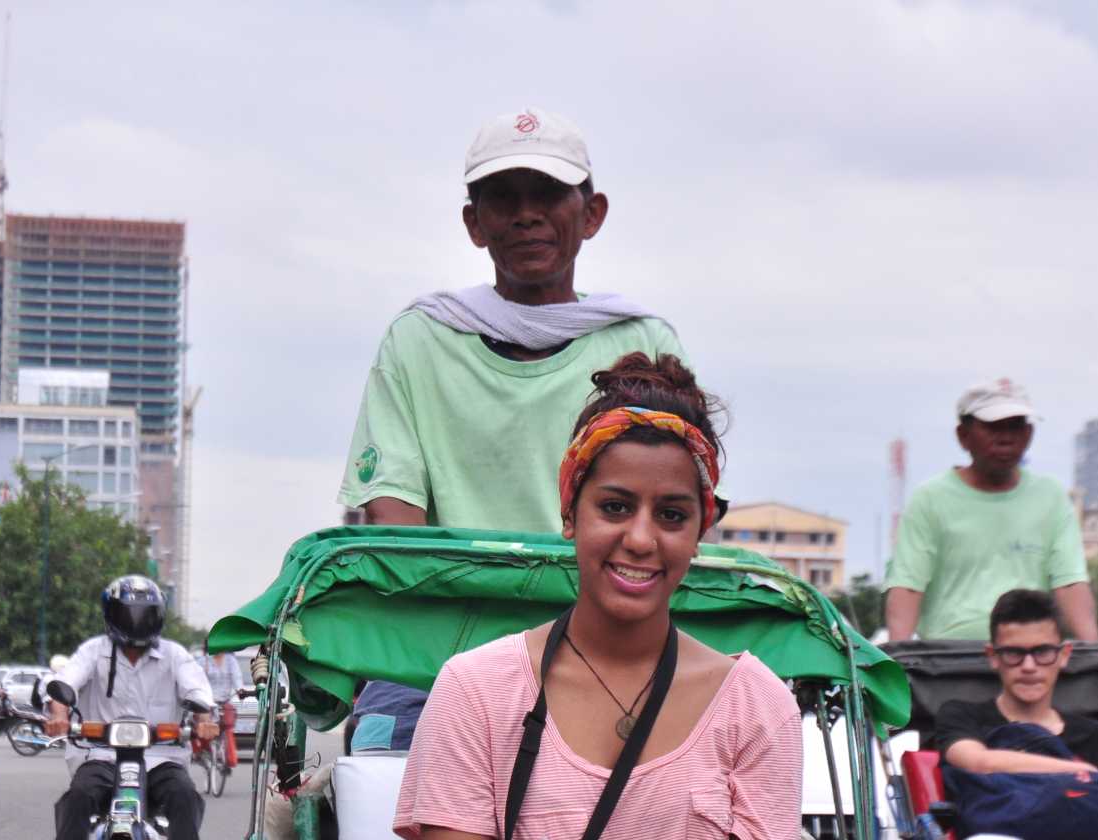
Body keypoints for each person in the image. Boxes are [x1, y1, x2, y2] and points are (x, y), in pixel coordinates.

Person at [339, 107, 686, 750]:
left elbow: (670, 511)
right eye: (503, 197)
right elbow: (394, 513)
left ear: (592, 214)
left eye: (548, 194)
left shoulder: (642, 342)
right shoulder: (419, 340)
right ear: (475, 223)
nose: (527, 214)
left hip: (607, 642)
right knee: (378, 766)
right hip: (438, 645)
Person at [394, 353, 801, 840]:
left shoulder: (756, 709)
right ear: (570, 514)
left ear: (699, 533)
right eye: (615, 507)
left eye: (672, 515)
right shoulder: (476, 691)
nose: (641, 539)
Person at [934, 589, 1098, 840]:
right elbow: (978, 762)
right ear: (993, 657)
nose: (1029, 667)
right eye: (1014, 653)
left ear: (1064, 655)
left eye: (1042, 652)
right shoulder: (963, 716)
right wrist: (1087, 773)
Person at [884, 378, 1098, 642]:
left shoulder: (1051, 496)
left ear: (1029, 433)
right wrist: (895, 657)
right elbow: (908, 586)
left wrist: (1096, 652)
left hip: (1029, 653)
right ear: (963, 435)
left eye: (1016, 426)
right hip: (950, 655)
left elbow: (1070, 583)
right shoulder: (929, 500)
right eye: (994, 427)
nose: (1006, 438)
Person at [44, 575, 216, 840]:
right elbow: (65, 684)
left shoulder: (175, 655)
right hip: (100, 755)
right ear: (111, 614)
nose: (137, 621)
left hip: (161, 757)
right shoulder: (93, 651)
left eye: (146, 614)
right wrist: (60, 717)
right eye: (129, 613)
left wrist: (204, 721)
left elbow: (197, 692)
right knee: (77, 797)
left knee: (184, 796)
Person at [198, 648, 249, 771]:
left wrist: (240, 690)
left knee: (228, 725)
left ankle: (229, 759)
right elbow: (196, 680)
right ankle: (203, 751)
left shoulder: (230, 661)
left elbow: (237, 678)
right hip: (206, 702)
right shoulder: (202, 661)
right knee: (202, 724)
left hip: (225, 700)